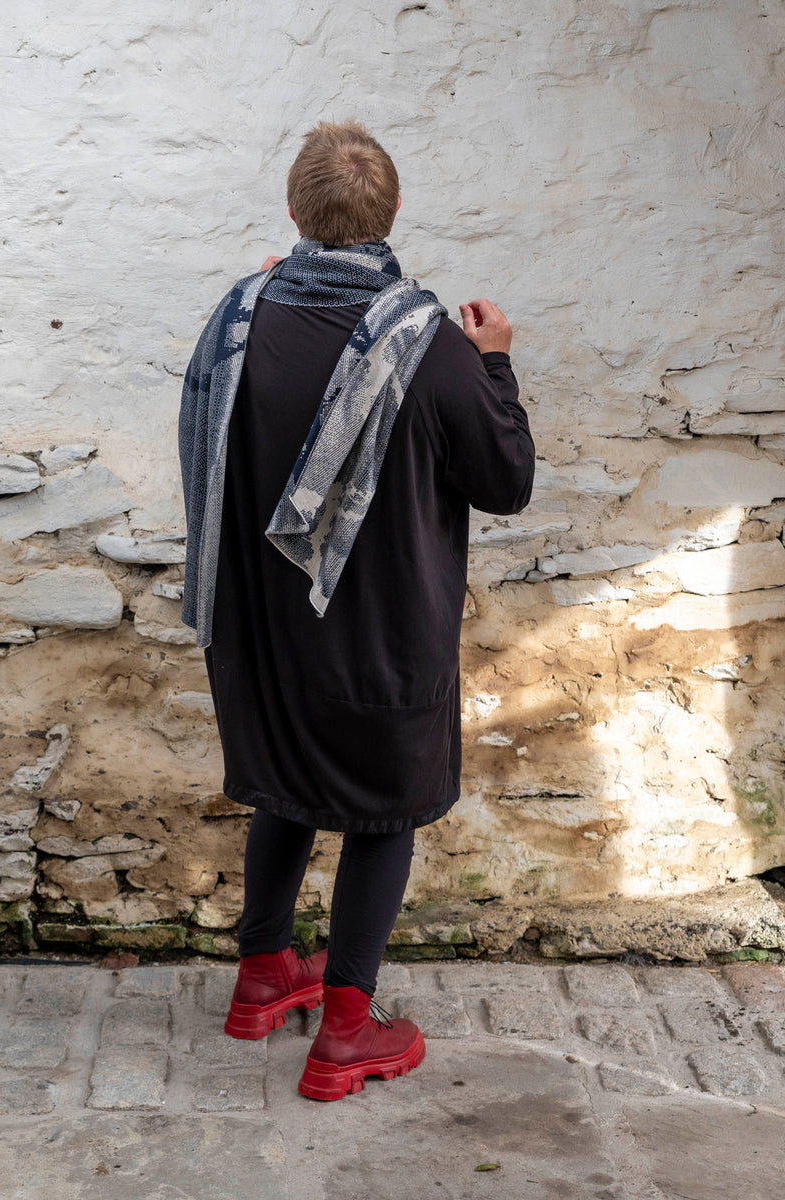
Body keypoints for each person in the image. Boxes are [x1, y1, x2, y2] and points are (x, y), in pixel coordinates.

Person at [178, 119, 534, 1101]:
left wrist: (261, 300)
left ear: (295, 213)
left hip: (261, 633)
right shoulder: (434, 347)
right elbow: (504, 481)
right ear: (394, 214)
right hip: (382, 634)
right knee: (382, 814)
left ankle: (261, 981)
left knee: (287, 787)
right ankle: (345, 1028)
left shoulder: (237, 318)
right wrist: (494, 360)